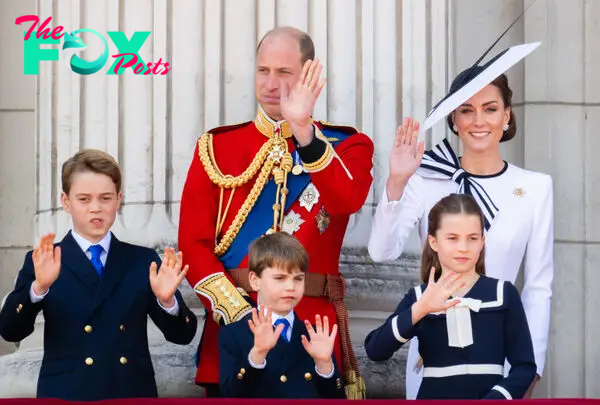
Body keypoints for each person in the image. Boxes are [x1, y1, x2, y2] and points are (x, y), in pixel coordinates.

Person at [178, 26, 373, 398]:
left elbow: (347, 200)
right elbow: (193, 243)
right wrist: (240, 316)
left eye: (284, 73)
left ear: (309, 76)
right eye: (263, 70)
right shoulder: (217, 147)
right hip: (234, 329)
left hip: (312, 329)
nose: (270, 83)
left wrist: (303, 131)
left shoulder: (347, 146)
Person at [368, 42, 553, 398]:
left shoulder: (535, 187)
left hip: (500, 358)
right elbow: (381, 252)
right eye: (466, 110)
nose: (479, 120)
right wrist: (396, 182)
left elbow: (538, 287)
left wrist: (531, 369)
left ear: (507, 115)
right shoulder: (425, 179)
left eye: (490, 108)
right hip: (433, 353)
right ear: (454, 119)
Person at [0, 150, 197, 401]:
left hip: (129, 392)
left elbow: (182, 336)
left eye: (105, 198)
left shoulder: (142, 261)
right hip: (66, 393)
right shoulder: (44, 260)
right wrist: (38, 288)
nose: (96, 208)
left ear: (118, 200)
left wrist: (167, 302)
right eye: (84, 199)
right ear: (66, 201)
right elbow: (9, 331)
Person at [365, 193, 537, 399]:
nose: (463, 248)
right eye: (452, 238)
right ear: (434, 242)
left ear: (482, 241)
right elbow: (375, 350)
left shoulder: (503, 294)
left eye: (472, 238)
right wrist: (420, 309)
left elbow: (525, 367)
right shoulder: (420, 297)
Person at [218, 232, 345, 398]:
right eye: (280, 278)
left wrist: (325, 366)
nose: (291, 287)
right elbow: (230, 395)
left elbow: (337, 400)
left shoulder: (313, 336)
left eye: (298, 279)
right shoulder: (234, 333)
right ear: (255, 280)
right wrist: (257, 354)